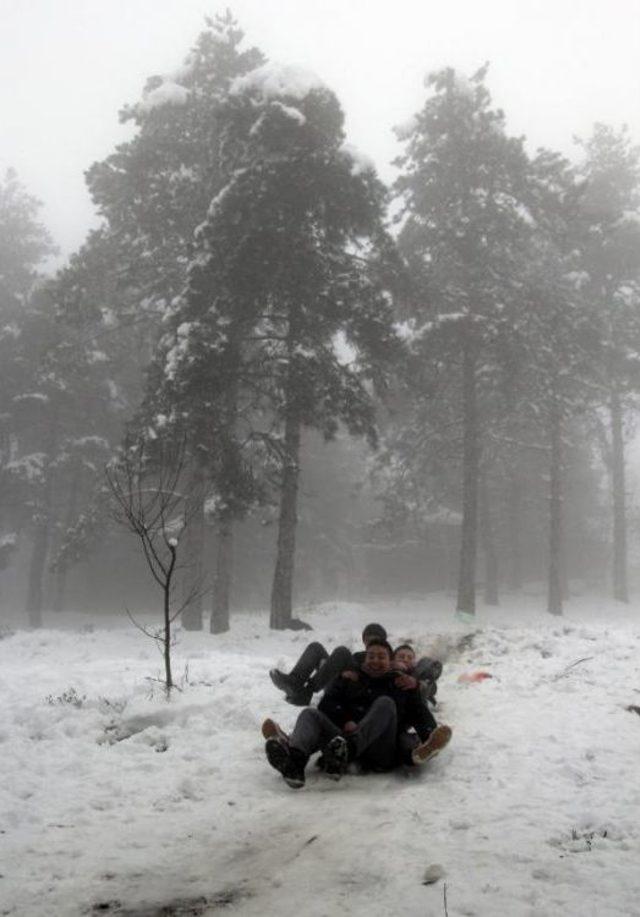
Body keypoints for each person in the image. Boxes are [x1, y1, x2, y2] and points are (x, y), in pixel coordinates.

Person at [263, 639, 452, 789]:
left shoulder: (402, 684)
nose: (375, 660)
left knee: (385, 703)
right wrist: (346, 720)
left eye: (381, 657)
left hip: (380, 751)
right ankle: (295, 763)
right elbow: (327, 707)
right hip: (339, 746)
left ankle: (346, 751)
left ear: (390, 661)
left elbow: (421, 716)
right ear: (364, 659)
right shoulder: (349, 678)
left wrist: (429, 741)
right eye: (371, 656)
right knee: (309, 714)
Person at [269, 622, 388, 706]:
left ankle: (306, 692)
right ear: (364, 641)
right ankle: (295, 681)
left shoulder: (387, 659)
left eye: (376, 640)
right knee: (316, 647)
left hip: (353, 693)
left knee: (342, 651)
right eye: (368, 641)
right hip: (338, 683)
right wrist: (327, 666)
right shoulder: (358, 656)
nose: (372, 644)